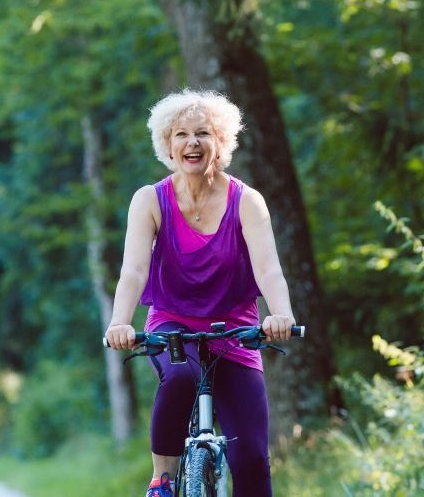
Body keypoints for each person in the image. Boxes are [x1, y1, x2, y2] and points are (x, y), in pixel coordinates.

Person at [105, 89, 296, 497]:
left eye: (203, 134)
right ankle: (162, 479)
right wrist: (120, 322)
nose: (192, 143)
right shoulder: (149, 200)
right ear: (168, 145)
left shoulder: (247, 201)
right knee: (178, 377)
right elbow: (134, 269)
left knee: (250, 463)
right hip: (173, 326)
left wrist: (280, 314)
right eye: (181, 135)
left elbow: (268, 269)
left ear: (221, 143)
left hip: (236, 330)